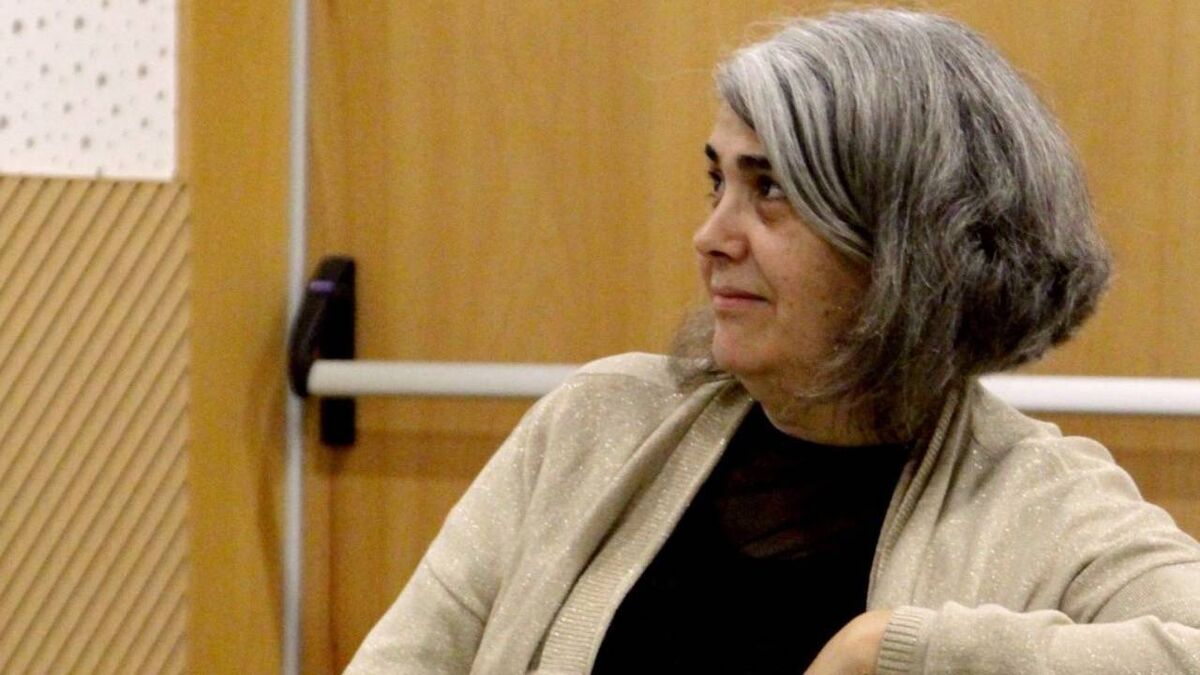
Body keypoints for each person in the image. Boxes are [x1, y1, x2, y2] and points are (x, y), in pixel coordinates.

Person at [345, 8, 1200, 674]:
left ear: (909, 243)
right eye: (717, 181)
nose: (712, 236)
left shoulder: (1037, 498)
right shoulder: (596, 422)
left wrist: (894, 649)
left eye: (773, 190)